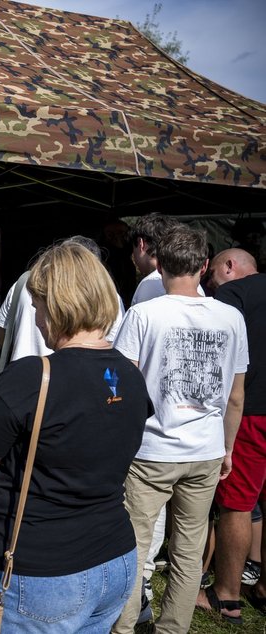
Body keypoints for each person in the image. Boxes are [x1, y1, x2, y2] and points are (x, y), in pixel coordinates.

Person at [0, 241, 151, 632]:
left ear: (61, 304)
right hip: (116, 561)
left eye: (39, 304)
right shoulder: (132, 376)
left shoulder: (32, 377)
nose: (36, 315)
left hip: (41, 571)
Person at [111, 225, 248, 633]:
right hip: (204, 450)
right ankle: (173, 629)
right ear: (205, 266)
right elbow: (236, 396)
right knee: (188, 552)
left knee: (134, 550)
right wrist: (228, 448)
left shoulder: (143, 314)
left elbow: (121, 385)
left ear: (160, 262)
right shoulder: (231, 318)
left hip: (151, 449)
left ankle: (122, 627)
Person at [195, 248, 265, 624]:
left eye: (211, 279)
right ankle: (264, 586)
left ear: (228, 267)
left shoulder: (231, 296)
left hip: (252, 409)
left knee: (236, 503)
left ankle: (226, 595)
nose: (209, 287)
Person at [0, 235, 125, 374]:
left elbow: (2, 339)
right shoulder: (108, 296)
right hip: (71, 377)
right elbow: (113, 346)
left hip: (20, 375)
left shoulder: (21, 285)